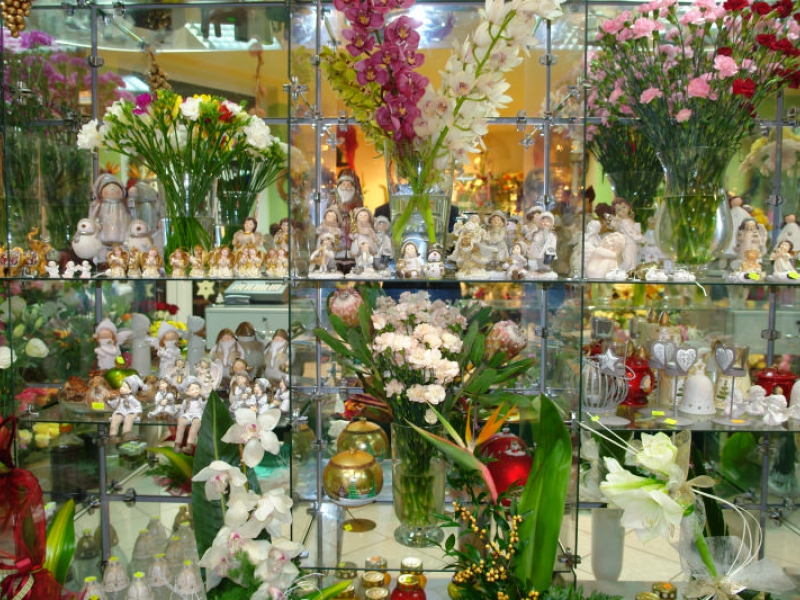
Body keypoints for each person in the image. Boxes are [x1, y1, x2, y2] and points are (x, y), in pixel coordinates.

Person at [90, 173, 131, 247]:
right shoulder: (100, 205)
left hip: (121, 236)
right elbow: (93, 216)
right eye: (108, 189)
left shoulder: (122, 205)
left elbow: (128, 217)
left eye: (116, 188)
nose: (112, 190)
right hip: (104, 236)